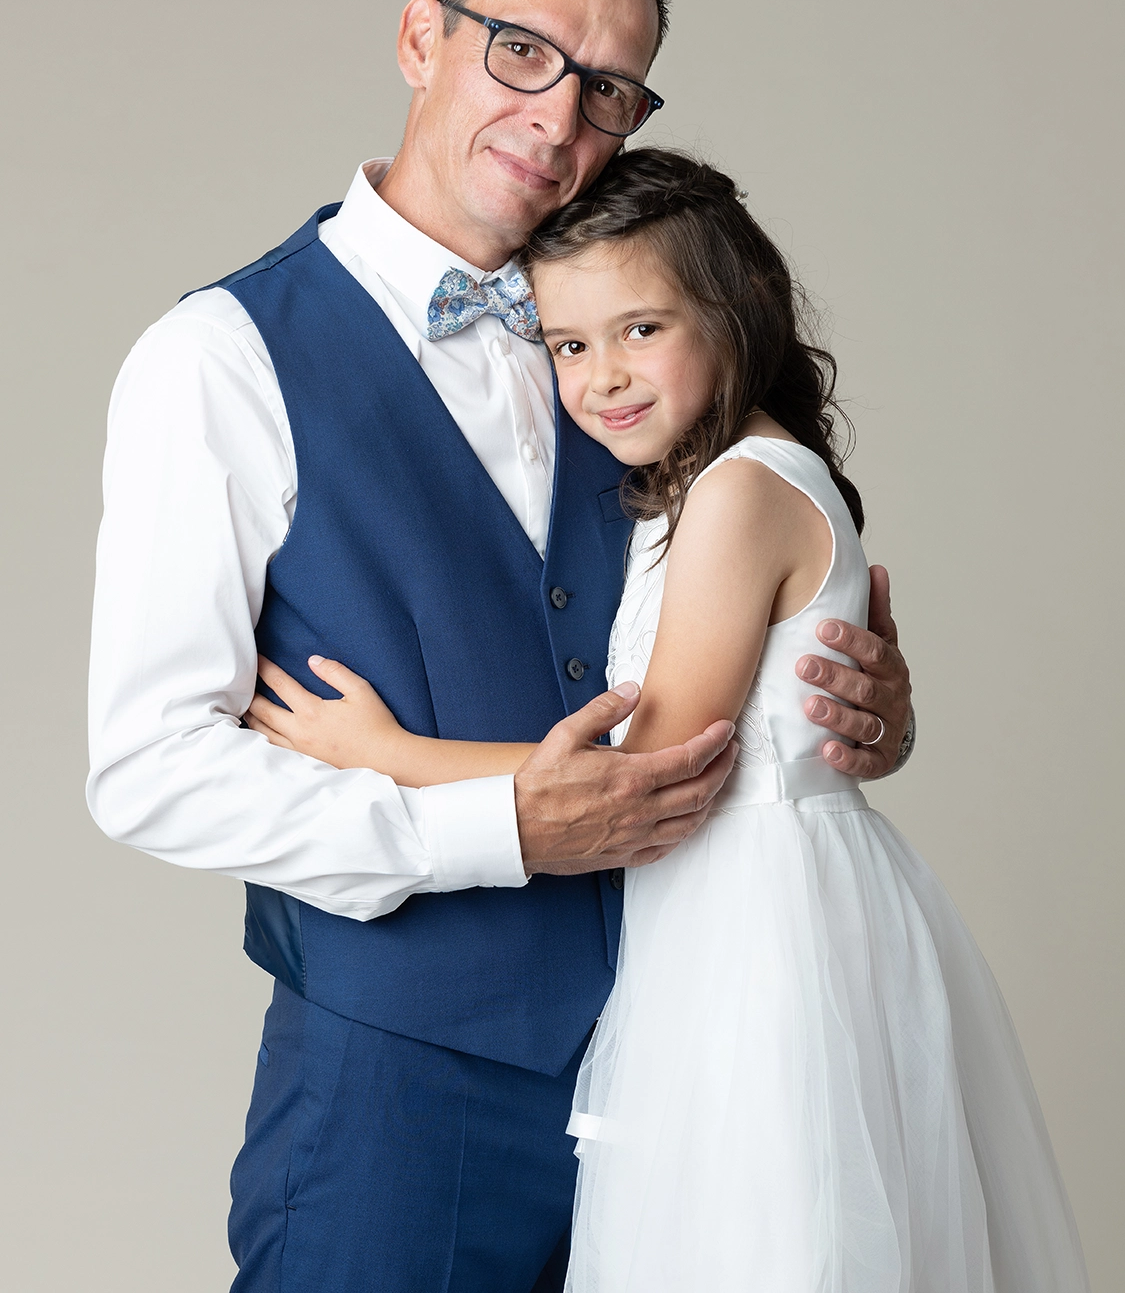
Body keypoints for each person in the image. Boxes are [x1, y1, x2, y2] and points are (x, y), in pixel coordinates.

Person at [87, 0, 914, 1291]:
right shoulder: (218, 359)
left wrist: (846, 714)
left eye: (609, 88)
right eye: (520, 50)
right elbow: (148, 771)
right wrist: (502, 826)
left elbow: (744, 614)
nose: (559, 114)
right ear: (422, 38)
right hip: (402, 1089)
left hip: (693, 1061)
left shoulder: (631, 335)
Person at [250, 148, 1089, 1293]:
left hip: (761, 927)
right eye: (568, 345)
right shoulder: (705, 478)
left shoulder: (739, 490)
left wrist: (387, 754)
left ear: (734, 314)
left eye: (640, 330)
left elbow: (653, 770)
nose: (602, 378)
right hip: (730, 907)